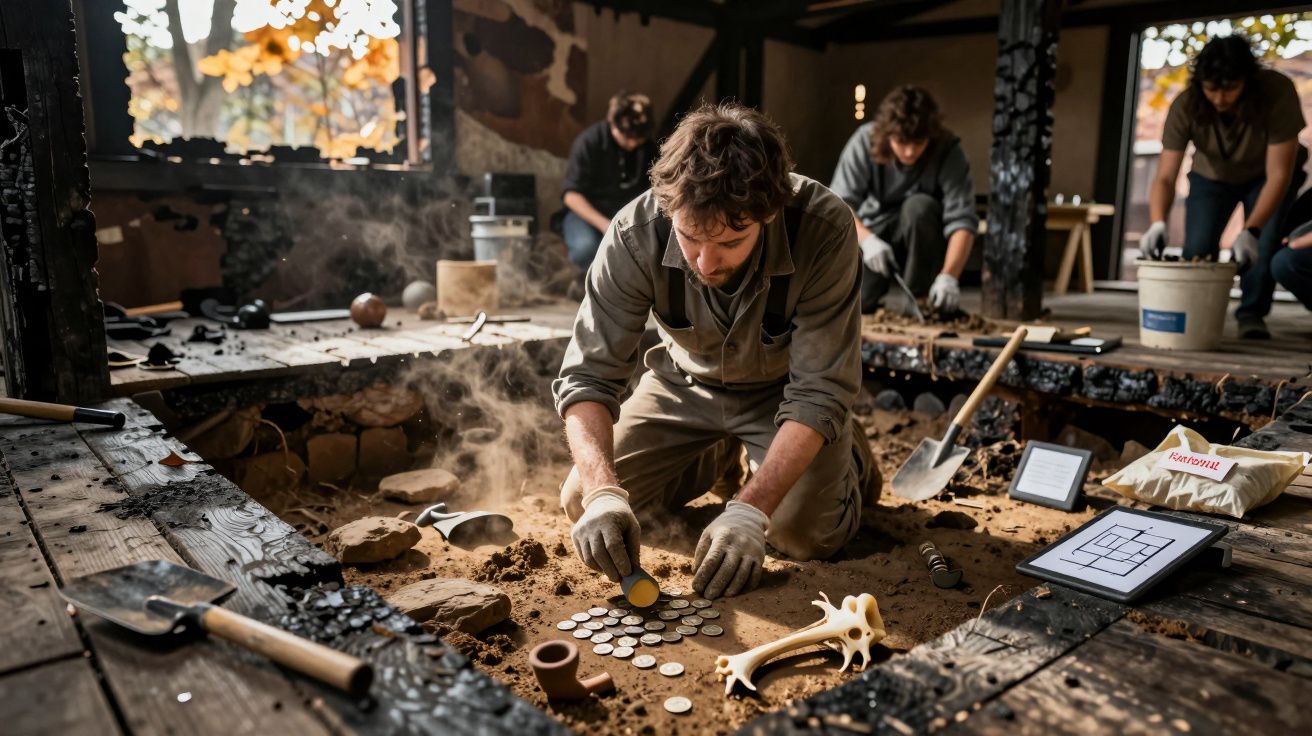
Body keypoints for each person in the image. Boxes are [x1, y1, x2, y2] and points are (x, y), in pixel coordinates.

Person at [552, 103, 881, 600]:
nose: (705, 262)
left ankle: (848, 455)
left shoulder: (824, 227)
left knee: (805, 536)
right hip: (684, 385)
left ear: (769, 213)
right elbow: (586, 377)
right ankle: (717, 451)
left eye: (731, 241)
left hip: (785, 395)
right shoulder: (632, 233)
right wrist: (603, 492)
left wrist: (752, 511)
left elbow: (818, 391)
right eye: (689, 237)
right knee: (583, 502)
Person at [1140, 35, 1307, 339]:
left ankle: (1251, 314)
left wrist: (1252, 229)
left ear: (1247, 80)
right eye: (1211, 89)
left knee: (1264, 246)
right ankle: (1196, 315)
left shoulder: (1276, 92)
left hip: (1268, 176)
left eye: (1229, 88)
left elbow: (1279, 173)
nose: (1219, 98)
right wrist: (1157, 222)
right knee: (1198, 249)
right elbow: (1165, 176)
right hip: (1211, 176)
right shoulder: (1186, 105)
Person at [829, 85, 978, 315]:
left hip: (923, 236)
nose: (909, 152)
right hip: (873, 236)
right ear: (887, 135)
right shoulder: (863, 141)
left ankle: (920, 298)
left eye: (918, 143)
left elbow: (963, 220)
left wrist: (949, 276)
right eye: (901, 142)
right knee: (855, 306)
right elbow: (839, 205)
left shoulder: (948, 150)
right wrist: (867, 241)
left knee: (920, 206)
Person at [560, 91, 660, 283]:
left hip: (626, 213)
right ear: (613, 123)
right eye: (627, 136)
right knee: (586, 248)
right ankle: (586, 286)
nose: (632, 142)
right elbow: (571, 195)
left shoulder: (647, 148)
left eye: (638, 138)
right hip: (587, 214)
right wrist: (605, 224)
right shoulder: (589, 142)